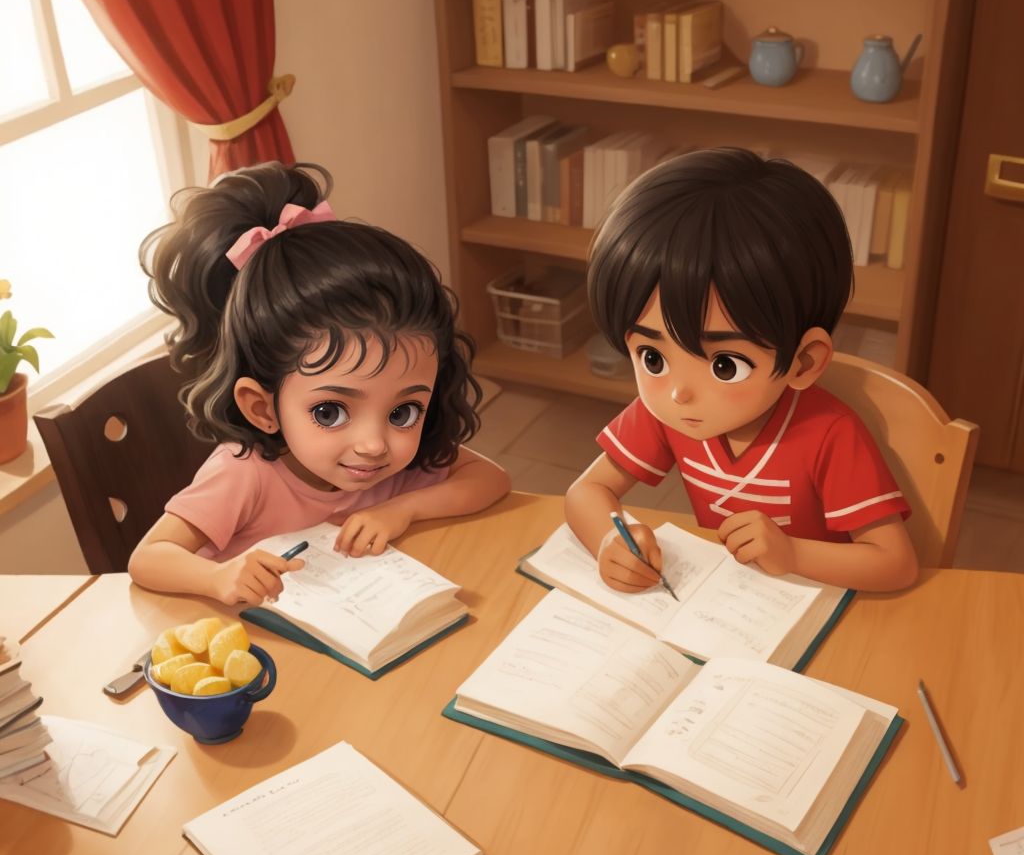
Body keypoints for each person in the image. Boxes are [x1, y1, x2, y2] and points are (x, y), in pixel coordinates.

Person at [128, 161, 510, 606]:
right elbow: (149, 557)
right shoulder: (244, 473)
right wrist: (218, 577)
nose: (373, 444)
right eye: (330, 412)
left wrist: (401, 508)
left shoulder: (397, 459)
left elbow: (490, 479)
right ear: (262, 407)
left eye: (403, 412)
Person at [565, 147, 918, 593]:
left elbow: (896, 564)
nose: (679, 393)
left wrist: (792, 553)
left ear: (804, 361)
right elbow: (585, 492)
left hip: (818, 605)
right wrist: (609, 541)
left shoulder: (830, 433)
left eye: (724, 365)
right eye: (653, 358)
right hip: (726, 605)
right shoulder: (666, 412)